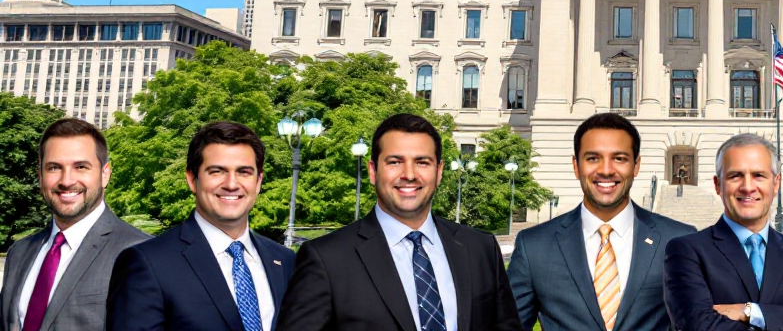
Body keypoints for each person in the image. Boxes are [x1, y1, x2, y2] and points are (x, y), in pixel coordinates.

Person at [275, 113, 521, 331]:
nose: (410, 175)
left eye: (422, 162)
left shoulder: (480, 248)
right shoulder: (327, 258)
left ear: (439, 171)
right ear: (373, 171)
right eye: (395, 162)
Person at [508, 113, 694, 331]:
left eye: (619, 158)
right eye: (593, 158)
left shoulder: (679, 241)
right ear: (576, 166)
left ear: (636, 166)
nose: (606, 170)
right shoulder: (534, 246)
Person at [106, 121, 295, 331]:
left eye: (244, 172)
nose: (231, 184)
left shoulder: (286, 261)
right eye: (217, 171)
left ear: (258, 181)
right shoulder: (147, 263)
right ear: (191, 179)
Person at [662, 133, 783, 330]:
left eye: (758, 175)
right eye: (735, 176)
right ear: (717, 185)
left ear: (776, 183)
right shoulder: (686, 251)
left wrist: (749, 312)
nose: (748, 187)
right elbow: (699, 325)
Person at [0, 118, 148, 331]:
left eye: (80, 166)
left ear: (105, 174)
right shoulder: (19, 253)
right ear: (40, 176)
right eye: (53, 168)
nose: (67, 180)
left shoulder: (141, 253)